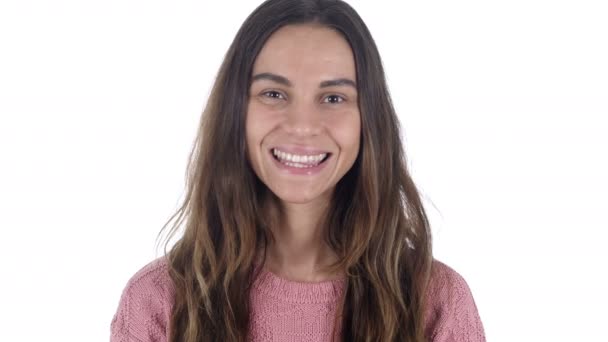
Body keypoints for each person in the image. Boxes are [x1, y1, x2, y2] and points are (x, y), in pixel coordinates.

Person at [110, 0, 486, 341]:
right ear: (235, 112)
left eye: (333, 97)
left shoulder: (436, 303)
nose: (302, 125)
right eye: (273, 94)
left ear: (368, 120)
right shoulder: (159, 301)